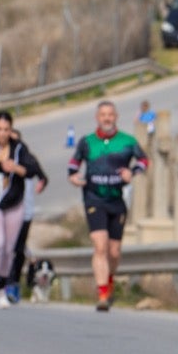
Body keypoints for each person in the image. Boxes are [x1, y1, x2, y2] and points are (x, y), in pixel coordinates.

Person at [67, 100, 148, 312]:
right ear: (97, 117)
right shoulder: (87, 142)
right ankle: (102, 292)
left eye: (110, 114)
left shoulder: (128, 141)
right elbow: (73, 164)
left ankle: (109, 279)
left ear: (116, 117)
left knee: (114, 251)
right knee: (100, 246)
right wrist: (73, 177)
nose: (106, 118)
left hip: (117, 200)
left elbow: (144, 161)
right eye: (103, 115)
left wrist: (134, 172)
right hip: (94, 198)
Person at [0, 111, 44, 308]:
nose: (3, 133)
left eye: (6, 129)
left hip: (14, 204)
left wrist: (16, 168)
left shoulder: (19, 149)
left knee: (8, 249)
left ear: (11, 130)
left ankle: (1, 289)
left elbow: (33, 169)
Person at [6, 126, 47, 301]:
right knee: (6, 247)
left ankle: (14, 283)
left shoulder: (28, 160)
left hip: (25, 211)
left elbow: (43, 176)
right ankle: (4, 282)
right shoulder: (0, 159)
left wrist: (41, 184)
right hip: (5, 210)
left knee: (19, 248)